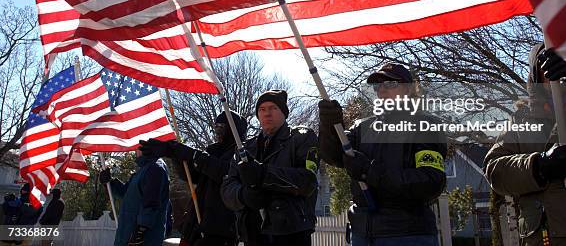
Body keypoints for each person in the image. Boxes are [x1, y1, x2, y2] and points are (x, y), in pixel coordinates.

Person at [484, 43, 566, 246]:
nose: (556, 71)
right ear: (536, 73)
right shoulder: (521, 121)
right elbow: (495, 170)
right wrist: (539, 166)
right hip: (544, 238)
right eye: (549, 63)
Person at [318, 63, 447, 246]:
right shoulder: (362, 127)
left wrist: (370, 172)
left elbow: (431, 181)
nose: (382, 90)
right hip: (361, 234)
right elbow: (333, 156)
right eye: (378, 85)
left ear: (409, 89)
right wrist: (329, 126)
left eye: (391, 84)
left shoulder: (425, 125)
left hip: (407, 234)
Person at [221, 90, 319, 246]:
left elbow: (307, 180)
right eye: (262, 109)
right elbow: (227, 187)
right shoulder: (245, 148)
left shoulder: (302, 137)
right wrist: (243, 195)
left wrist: (264, 174)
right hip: (253, 233)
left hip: (291, 232)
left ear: (284, 113)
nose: (267, 113)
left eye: (273, 108)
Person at [139, 111, 248, 246]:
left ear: (233, 128)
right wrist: (175, 155)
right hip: (196, 224)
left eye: (222, 126)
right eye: (216, 126)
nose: (218, 131)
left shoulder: (243, 152)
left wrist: (191, 154)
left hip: (221, 229)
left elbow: (223, 171)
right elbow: (192, 176)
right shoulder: (212, 150)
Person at [100, 148, 170, 246]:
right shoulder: (143, 170)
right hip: (127, 235)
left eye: (138, 144)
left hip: (143, 240)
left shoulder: (155, 167)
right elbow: (125, 193)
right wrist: (109, 182)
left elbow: (151, 204)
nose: (134, 149)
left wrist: (140, 232)